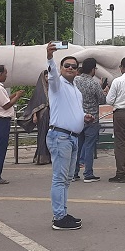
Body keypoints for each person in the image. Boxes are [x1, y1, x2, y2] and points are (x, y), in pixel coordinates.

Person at [45, 42, 93, 231]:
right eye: (67, 66)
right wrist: (50, 57)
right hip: (61, 137)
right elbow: (52, 75)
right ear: (61, 68)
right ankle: (59, 217)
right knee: (60, 178)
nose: (71, 68)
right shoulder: (57, 85)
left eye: (74, 66)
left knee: (66, 179)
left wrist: (84, 117)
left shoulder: (75, 90)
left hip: (72, 137)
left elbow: (74, 111)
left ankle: (62, 213)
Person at [73, 57, 108, 183]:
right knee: (89, 146)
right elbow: (102, 101)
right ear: (93, 69)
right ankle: (88, 173)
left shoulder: (75, 80)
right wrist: (104, 91)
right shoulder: (94, 84)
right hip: (92, 119)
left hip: (78, 117)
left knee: (77, 146)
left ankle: (74, 173)